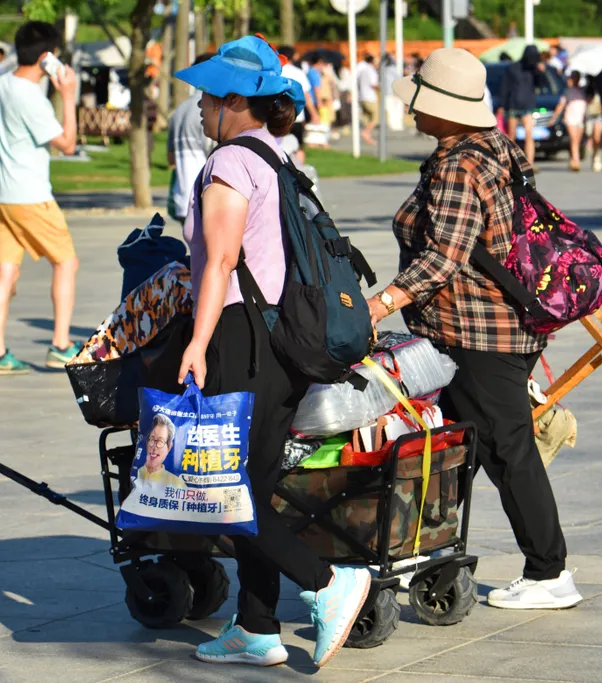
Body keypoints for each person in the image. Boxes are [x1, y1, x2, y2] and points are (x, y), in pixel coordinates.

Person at [172, 35, 372, 669]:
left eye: (207, 96)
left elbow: (222, 259)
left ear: (236, 101)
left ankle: (326, 583)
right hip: (281, 338)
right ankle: (255, 627)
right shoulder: (277, 155)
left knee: (221, 487)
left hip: (239, 336)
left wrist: (198, 342)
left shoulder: (231, 163)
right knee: (250, 484)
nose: (200, 107)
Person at [368, 47, 582, 611]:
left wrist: (379, 304)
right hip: (496, 327)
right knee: (476, 448)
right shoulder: (496, 149)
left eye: (420, 103)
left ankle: (548, 572)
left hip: (480, 332)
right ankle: (434, 554)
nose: (413, 112)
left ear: (446, 110)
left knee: (507, 449)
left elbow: (445, 256)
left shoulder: (459, 164)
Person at [0, 21, 80, 375]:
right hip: (30, 196)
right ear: (47, 57)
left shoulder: (2, 84)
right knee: (66, 262)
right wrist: (68, 95)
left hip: (1, 196)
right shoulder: (29, 96)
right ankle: (61, 345)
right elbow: (67, 144)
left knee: (6, 270)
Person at [167, 53, 216, 223]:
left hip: (181, 197)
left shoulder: (178, 111)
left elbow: (170, 158)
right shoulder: (209, 111)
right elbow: (215, 155)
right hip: (204, 199)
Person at [499, 45, 546, 171]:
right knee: (511, 135)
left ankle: (529, 163)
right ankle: (510, 163)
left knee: (529, 133)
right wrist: (502, 105)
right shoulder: (513, 68)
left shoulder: (534, 69)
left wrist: (541, 72)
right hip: (513, 104)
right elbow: (505, 87)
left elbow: (541, 84)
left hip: (528, 105)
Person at [277, 46, 320, 163]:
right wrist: (314, 113)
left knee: (277, 145)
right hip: (297, 115)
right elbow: (306, 95)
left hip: (277, 114)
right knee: (299, 146)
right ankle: (298, 172)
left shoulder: (275, 72)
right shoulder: (298, 72)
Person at [548, 70, 587, 172]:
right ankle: (576, 161)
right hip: (571, 118)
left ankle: (574, 159)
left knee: (577, 141)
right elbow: (560, 106)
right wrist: (554, 119)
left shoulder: (583, 91)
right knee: (574, 140)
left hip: (580, 119)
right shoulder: (567, 92)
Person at [136, 414, 186, 489]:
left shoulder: (177, 484)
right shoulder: (137, 473)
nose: (154, 447)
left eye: (160, 441)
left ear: (169, 447)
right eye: (152, 440)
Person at [357, 54, 380, 145]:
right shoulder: (371, 71)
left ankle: (368, 135)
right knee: (376, 118)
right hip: (369, 97)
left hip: (362, 96)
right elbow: (373, 84)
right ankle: (366, 132)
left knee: (368, 118)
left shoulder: (363, 70)